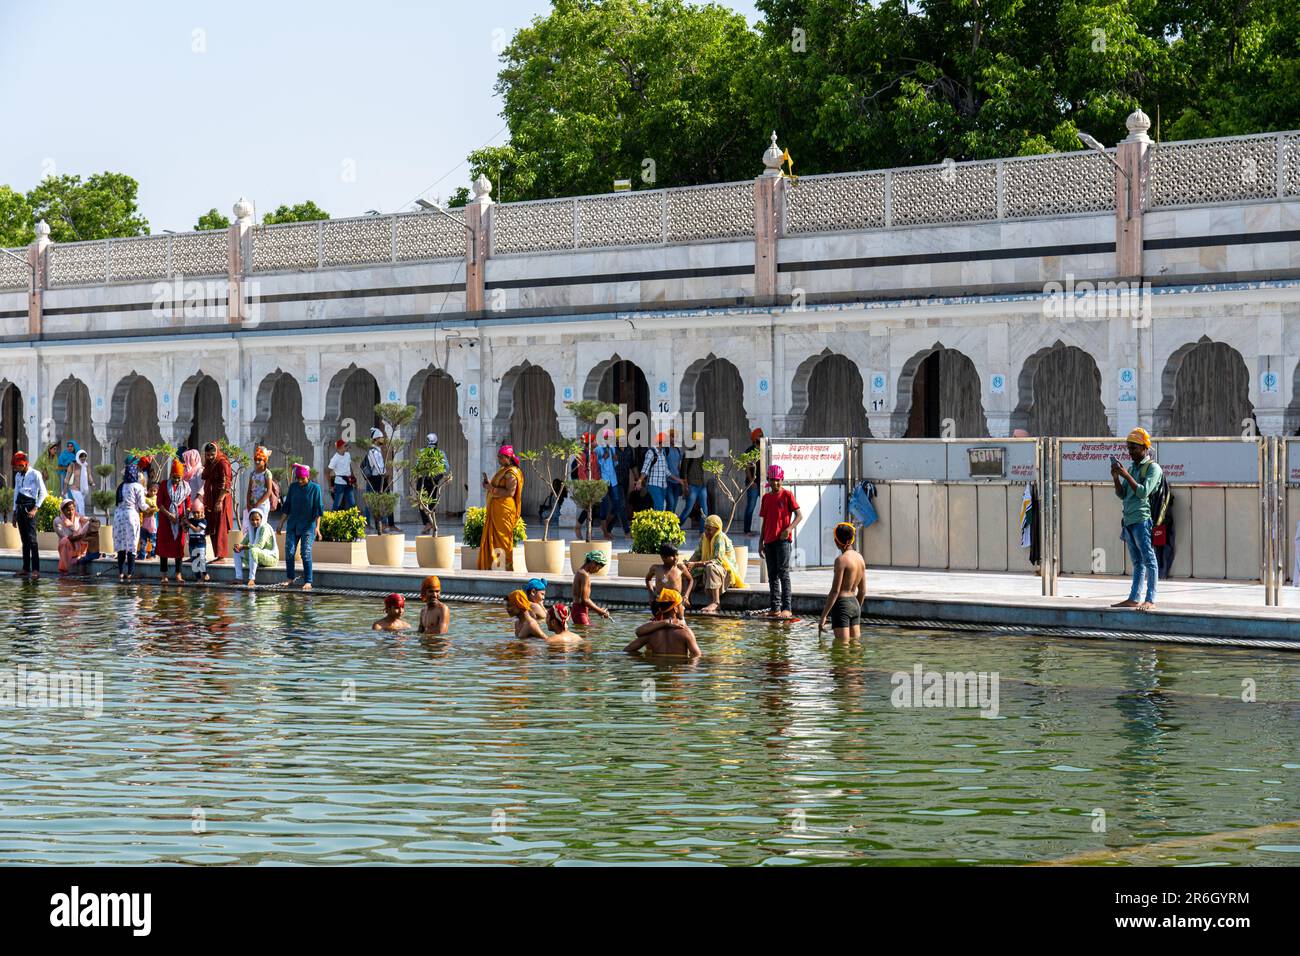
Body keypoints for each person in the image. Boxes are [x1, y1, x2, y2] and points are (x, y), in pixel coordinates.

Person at [1111, 427, 1163, 611]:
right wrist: (1117, 477)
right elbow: (1122, 494)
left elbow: (1142, 492)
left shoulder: (1153, 468)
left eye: (1134, 448)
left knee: (1149, 560)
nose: (1130, 452)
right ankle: (1134, 598)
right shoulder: (1132, 468)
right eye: (1129, 448)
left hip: (1143, 519)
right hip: (1129, 520)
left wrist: (1126, 475)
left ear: (1144, 448)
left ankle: (1150, 599)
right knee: (1137, 562)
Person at [758, 464, 802, 618]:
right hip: (769, 542)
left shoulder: (787, 495)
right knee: (772, 576)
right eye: (772, 480)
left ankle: (787, 608)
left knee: (783, 574)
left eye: (778, 480)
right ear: (768, 480)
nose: (775, 483)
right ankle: (775, 607)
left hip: (783, 542)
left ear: (782, 480)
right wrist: (760, 542)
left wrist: (789, 529)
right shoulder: (766, 498)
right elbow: (764, 522)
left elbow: (799, 515)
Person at [818, 523, 867, 642]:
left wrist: (823, 616)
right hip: (855, 604)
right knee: (855, 648)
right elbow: (862, 591)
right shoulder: (860, 558)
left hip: (841, 605)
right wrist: (856, 609)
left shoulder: (841, 560)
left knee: (842, 648)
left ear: (836, 541)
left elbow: (835, 591)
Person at [686, 514, 745, 613]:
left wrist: (695, 564)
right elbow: (697, 554)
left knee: (711, 567)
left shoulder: (720, 538)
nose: (706, 532)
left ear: (717, 529)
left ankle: (716, 602)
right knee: (684, 570)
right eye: (705, 528)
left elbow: (717, 560)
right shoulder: (704, 537)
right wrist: (688, 564)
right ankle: (685, 599)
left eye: (709, 529)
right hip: (710, 569)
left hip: (726, 573)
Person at [278, 463, 323, 590]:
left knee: (306, 552)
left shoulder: (315, 488)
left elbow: (318, 510)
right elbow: (287, 507)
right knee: (289, 551)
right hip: (293, 525)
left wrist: (317, 528)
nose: (300, 481)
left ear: (307, 477)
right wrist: (280, 524)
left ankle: (308, 580)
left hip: (308, 526)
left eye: (302, 478)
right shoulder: (293, 487)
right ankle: (290, 578)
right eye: (298, 478)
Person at [479, 444, 523, 570]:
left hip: (505, 511)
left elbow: (510, 493)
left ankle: (505, 567)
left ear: (507, 457)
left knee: (503, 539)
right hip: (498, 510)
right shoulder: (503, 470)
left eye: (500, 457)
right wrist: (489, 485)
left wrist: (491, 489)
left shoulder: (512, 473)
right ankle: (495, 565)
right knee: (495, 538)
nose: (498, 459)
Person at [624, 589, 701, 658]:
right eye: (681, 605)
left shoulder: (651, 632)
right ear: (676, 608)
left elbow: (628, 650)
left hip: (657, 670)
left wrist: (642, 660)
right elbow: (696, 656)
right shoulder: (685, 632)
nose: (684, 608)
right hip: (677, 671)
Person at [12, 452, 46, 578]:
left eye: (20, 466)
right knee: (24, 540)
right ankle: (26, 568)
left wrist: (35, 509)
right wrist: (14, 512)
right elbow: (16, 492)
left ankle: (36, 569)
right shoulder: (18, 476)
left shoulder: (35, 474)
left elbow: (43, 492)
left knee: (32, 540)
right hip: (20, 507)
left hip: (30, 506)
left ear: (26, 463)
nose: (18, 468)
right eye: (17, 466)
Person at [156, 458, 190, 584]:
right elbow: (159, 503)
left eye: (178, 477)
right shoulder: (164, 485)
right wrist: (169, 515)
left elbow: (188, 502)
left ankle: (178, 574)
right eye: (174, 477)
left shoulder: (186, 486)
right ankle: (164, 575)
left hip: (180, 520)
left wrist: (185, 517)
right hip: (166, 521)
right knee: (164, 547)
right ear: (170, 475)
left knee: (178, 548)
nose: (176, 480)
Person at [112, 461, 147, 581]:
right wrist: (153, 508)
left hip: (118, 516)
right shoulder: (138, 487)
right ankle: (130, 573)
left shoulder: (121, 486)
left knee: (121, 544)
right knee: (132, 544)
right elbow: (142, 505)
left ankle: (121, 573)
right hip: (131, 516)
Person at [202, 442, 234, 561]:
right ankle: (218, 555)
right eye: (208, 455)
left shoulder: (222, 463)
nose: (210, 457)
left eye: (212, 454)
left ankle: (222, 556)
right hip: (211, 500)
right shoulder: (210, 463)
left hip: (221, 499)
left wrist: (219, 501)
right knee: (212, 525)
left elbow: (226, 484)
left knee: (220, 527)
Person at [232, 507, 278, 587]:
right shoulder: (251, 528)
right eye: (252, 520)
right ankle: (239, 578)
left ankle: (251, 579)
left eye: (257, 519)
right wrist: (238, 546)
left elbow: (259, 546)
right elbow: (244, 543)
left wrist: (243, 546)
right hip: (258, 556)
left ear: (261, 519)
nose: (255, 522)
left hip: (271, 557)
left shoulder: (265, 528)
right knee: (237, 551)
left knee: (253, 550)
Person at [416, 433, 452, 535]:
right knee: (432, 502)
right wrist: (438, 473)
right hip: (434, 481)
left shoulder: (423, 452)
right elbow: (447, 467)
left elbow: (417, 466)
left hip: (422, 480)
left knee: (422, 502)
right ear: (436, 442)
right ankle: (431, 522)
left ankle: (427, 523)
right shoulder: (440, 453)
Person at [676, 432, 708, 531]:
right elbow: (683, 471)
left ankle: (703, 530)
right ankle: (676, 527)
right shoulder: (688, 453)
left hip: (701, 485)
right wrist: (685, 486)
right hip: (692, 485)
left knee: (705, 509)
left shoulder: (701, 453)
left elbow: (702, 469)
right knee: (688, 509)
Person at [54, 498, 95, 574]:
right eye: (68, 510)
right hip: (67, 548)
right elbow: (65, 537)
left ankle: (85, 554)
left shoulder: (77, 516)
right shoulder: (57, 521)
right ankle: (65, 569)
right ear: (62, 510)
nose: (71, 512)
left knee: (91, 524)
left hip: (80, 546)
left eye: (73, 509)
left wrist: (92, 520)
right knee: (65, 540)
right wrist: (80, 536)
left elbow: (86, 519)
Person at [571, 550, 611, 626]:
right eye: (598, 568)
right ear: (593, 562)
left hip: (579, 610)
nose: (597, 571)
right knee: (587, 635)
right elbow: (585, 600)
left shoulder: (580, 572)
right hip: (580, 612)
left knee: (589, 632)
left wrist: (599, 610)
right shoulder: (584, 575)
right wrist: (600, 611)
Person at [245, 445, 274, 538]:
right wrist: (248, 503)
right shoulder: (252, 473)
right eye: (256, 459)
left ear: (264, 461)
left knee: (261, 526)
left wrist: (258, 503)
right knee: (252, 526)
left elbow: (269, 491)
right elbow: (249, 489)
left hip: (262, 504)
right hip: (253, 504)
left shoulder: (267, 473)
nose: (257, 462)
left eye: (260, 459)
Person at [639, 432, 671, 511]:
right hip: (653, 485)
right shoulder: (651, 452)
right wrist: (640, 480)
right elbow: (645, 469)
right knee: (659, 508)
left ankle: (656, 523)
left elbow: (666, 471)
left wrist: (679, 480)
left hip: (663, 486)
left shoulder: (662, 452)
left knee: (659, 509)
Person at [742, 428, 763, 535]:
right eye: (759, 435)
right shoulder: (749, 451)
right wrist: (751, 481)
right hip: (753, 484)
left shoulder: (764, 450)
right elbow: (746, 467)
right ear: (755, 438)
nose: (761, 437)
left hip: (763, 483)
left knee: (766, 506)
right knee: (751, 506)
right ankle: (746, 530)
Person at [327, 439, 356, 512]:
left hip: (349, 482)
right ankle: (331, 521)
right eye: (345, 446)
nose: (347, 447)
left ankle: (354, 521)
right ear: (339, 447)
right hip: (340, 483)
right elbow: (327, 472)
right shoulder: (335, 458)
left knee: (352, 504)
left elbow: (349, 467)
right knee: (337, 504)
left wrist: (354, 479)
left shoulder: (347, 455)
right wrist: (330, 487)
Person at [186, 499, 209, 582]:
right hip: (192, 543)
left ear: (202, 512)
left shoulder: (204, 521)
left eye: (198, 512)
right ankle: (198, 577)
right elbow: (185, 529)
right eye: (194, 512)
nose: (197, 514)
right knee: (194, 561)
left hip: (200, 543)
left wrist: (188, 523)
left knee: (202, 559)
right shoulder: (191, 520)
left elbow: (197, 530)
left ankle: (205, 573)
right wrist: (184, 522)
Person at [65, 447, 90, 516]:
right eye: (81, 456)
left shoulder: (86, 466)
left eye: (85, 456)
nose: (83, 458)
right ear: (78, 457)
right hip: (74, 488)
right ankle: (83, 518)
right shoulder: (73, 465)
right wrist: (65, 489)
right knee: (81, 504)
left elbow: (89, 475)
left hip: (84, 489)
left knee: (78, 505)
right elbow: (67, 477)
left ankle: (76, 520)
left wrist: (91, 482)